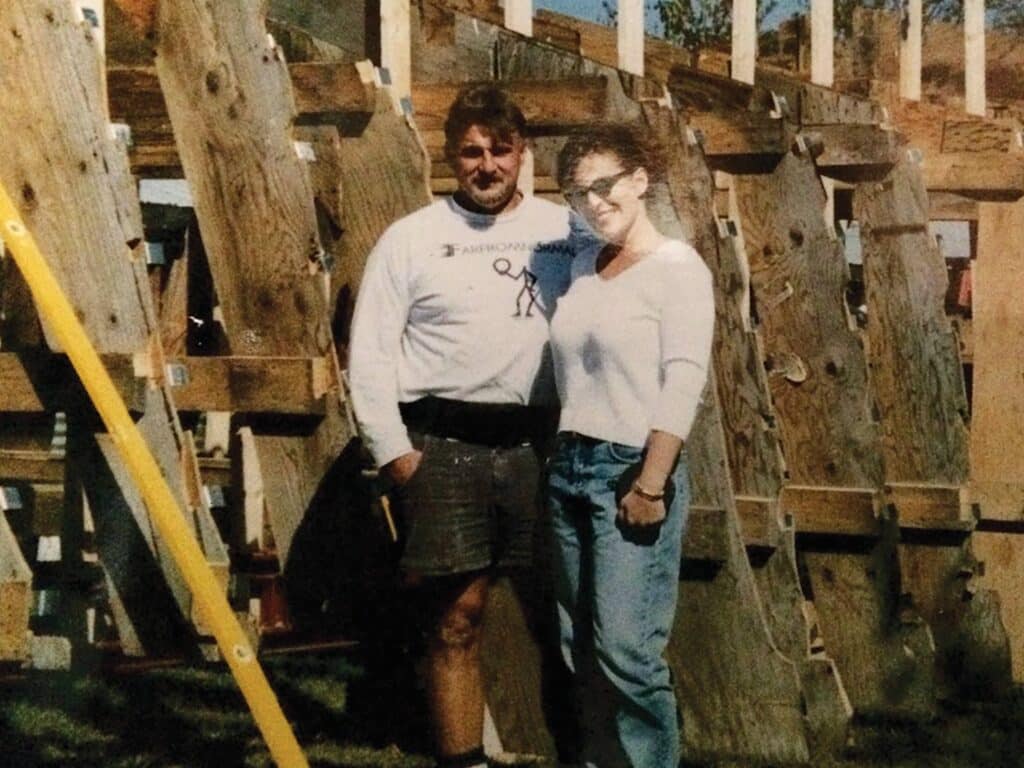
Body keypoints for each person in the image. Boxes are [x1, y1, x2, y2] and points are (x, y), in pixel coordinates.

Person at [348, 84, 587, 768]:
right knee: (456, 620)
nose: (486, 165)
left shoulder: (563, 233)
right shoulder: (412, 240)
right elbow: (369, 357)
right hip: (442, 449)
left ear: (523, 155)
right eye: (470, 152)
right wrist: (397, 456)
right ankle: (463, 760)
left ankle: (583, 751)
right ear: (451, 158)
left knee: (567, 616)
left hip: (543, 447)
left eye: (500, 150)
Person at [546, 124, 716, 767]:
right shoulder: (584, 267)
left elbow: (685, 377)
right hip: (569, 467)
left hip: (630, 471)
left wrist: (651, 482)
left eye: (604, 185)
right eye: (578, 192)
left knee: (626, 649)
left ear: (641, 180)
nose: (592, 203)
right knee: (579, 644)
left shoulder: (679, 268)